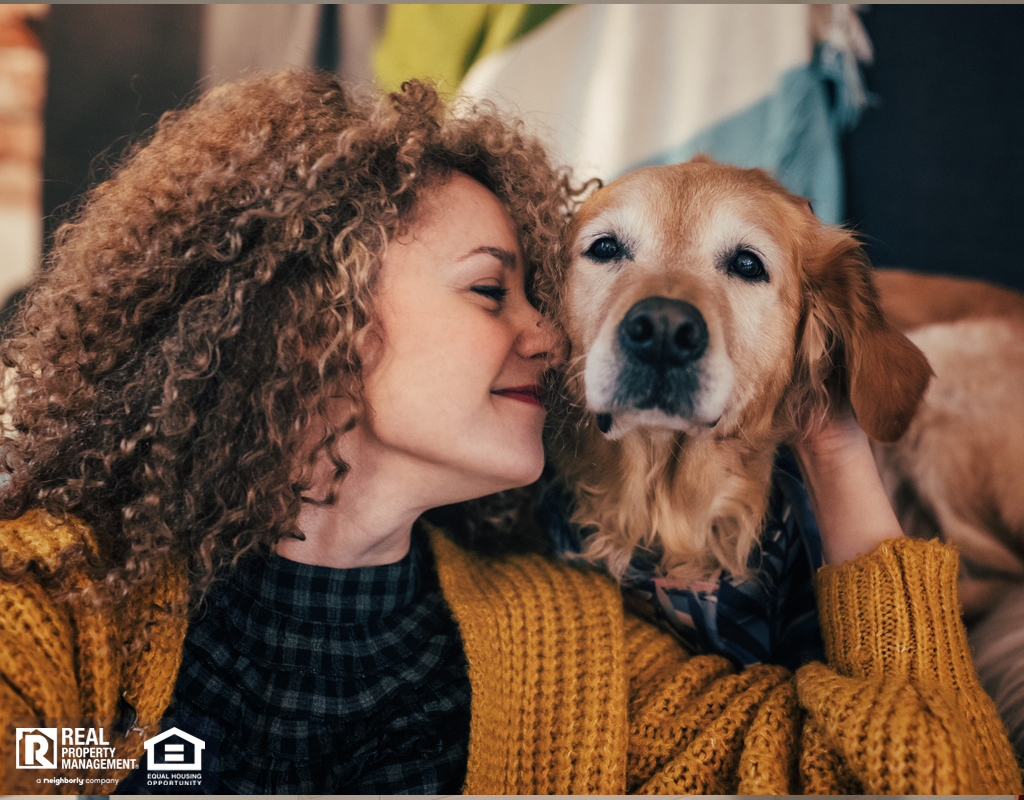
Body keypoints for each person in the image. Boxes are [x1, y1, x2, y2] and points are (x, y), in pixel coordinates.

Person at [0, 70, 1020, 795]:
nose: (553, 333)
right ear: (316, 322)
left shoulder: (571, 652)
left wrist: (835, 443)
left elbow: (937, 777)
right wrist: (145, 755)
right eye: (494, 289)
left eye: (541, 291)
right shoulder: (74, 596)